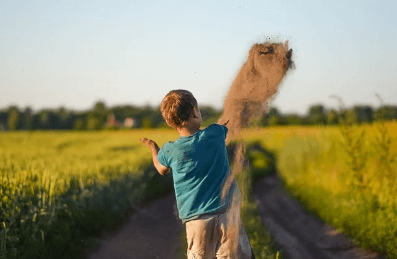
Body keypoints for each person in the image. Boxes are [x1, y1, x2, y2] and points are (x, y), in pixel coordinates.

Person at [140, 89, 255, 259]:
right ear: (194, 111)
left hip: (196, 223)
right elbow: (227, 123)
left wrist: (153, 148)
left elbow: (161, 168)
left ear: (169, 122)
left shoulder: (170, 150)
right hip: (227, 216)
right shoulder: (215, 133)